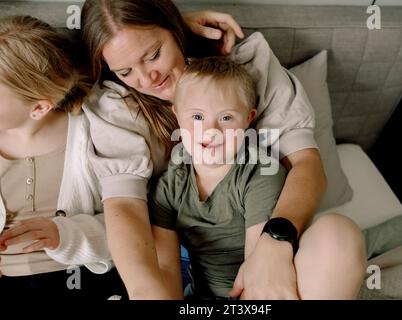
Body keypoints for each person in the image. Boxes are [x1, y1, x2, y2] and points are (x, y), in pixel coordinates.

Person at [81, 0, 367, 299]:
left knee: (339, 233)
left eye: (153, 54)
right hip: (202, 275)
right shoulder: (118, 109)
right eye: (126, 71)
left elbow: (306, 164)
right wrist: (145, 292)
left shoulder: (247, 75)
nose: (147, 78)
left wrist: (274, 243)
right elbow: (125, 206)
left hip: (283, 243)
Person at [0, 15, 127, 299]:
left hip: (87, 275)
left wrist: (66, 235)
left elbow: (132, 225)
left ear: (39, 109)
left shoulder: (92, 131)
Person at [149, 56, 288, 300]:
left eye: (226, 118)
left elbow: (260, 267)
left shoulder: (260, 173)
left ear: (248, 118)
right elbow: (167, 270)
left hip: (257, 292)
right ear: (178, 116)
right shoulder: (169, 187)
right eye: (197, 117)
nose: (211, 130)